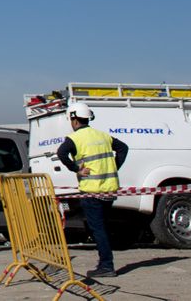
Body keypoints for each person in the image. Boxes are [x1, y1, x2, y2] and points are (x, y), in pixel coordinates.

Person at [55, 101, 128, 279]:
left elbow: (61, 154)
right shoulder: (102, 136)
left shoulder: (75, 138)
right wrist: (113, 167)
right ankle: (105, 261)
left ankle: (106, 265)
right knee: (102, 225)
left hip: (91, 190)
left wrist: (76, 169)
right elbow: (123, 148)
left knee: (98, 228)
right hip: (109, 190)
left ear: (73, 119)